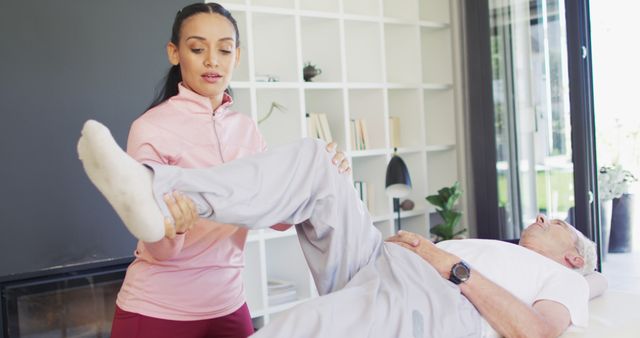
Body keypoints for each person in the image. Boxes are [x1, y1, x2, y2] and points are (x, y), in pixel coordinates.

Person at [78, 120, 599, 338]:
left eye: (553, 223)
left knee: (306, 325)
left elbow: (537, 333)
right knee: (315, 160)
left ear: (573, 256)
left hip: (437, 297)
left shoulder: (567, 281)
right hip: (387, 260)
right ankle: (155, 190)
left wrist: (449, 264)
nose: (538, 218)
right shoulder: (511, 250)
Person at [111, 3, 351, 337]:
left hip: (228, 305)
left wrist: (325, 175)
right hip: (158, 310)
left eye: (224, 50)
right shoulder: (149, 129)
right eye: (197, 49)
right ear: (174, 53)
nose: (212, 61)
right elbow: (159, 250)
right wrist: (175, 229)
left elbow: (279, 218)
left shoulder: (247, 130)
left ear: (236, 56)